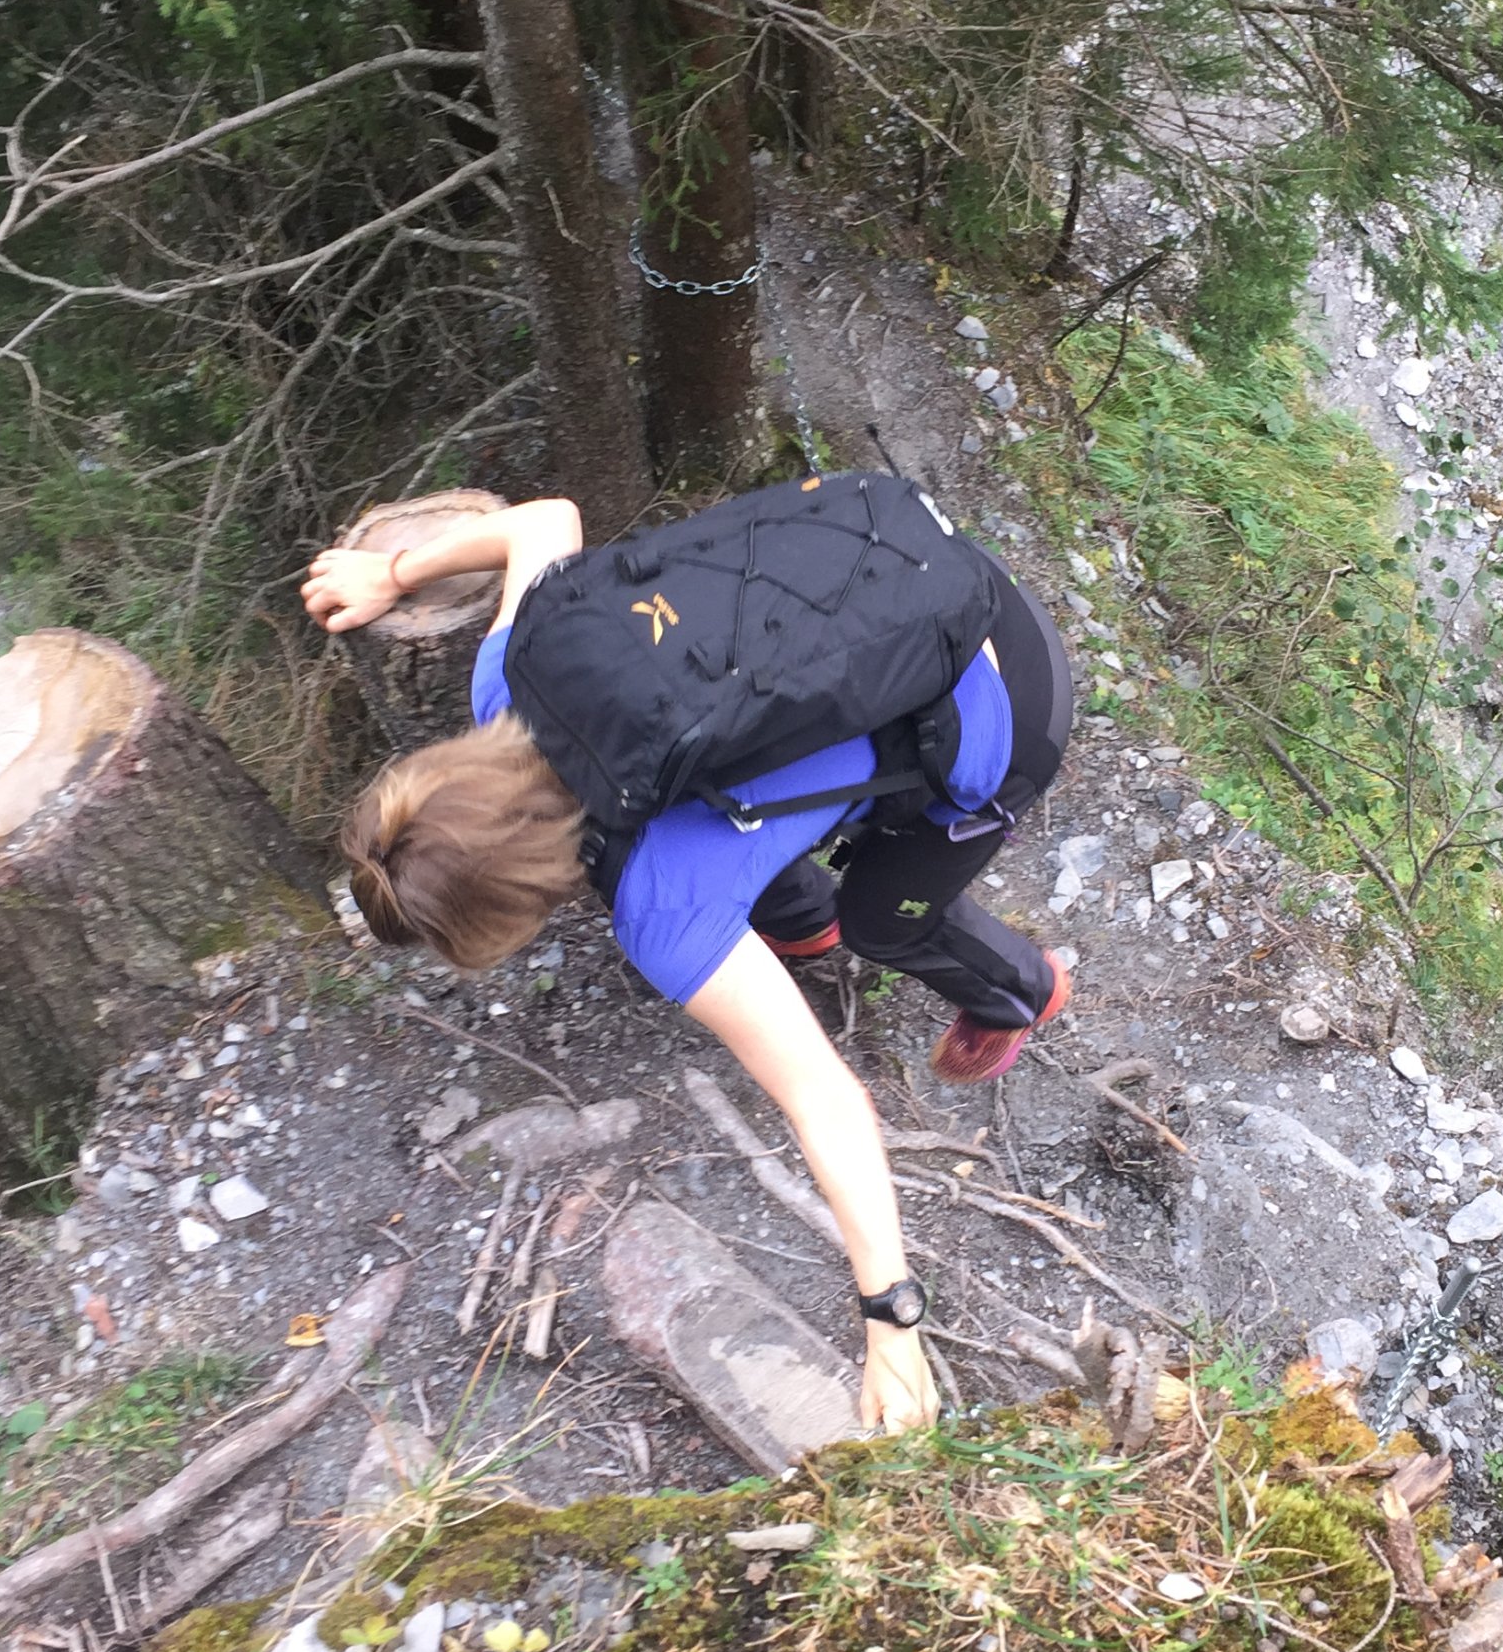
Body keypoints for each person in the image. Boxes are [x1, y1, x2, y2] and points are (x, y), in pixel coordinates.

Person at [301, 488, 1075, 1435]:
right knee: (745, 838)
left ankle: (1018, 993)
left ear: (513, 914)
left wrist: (892, 1319)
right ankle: (801, 927)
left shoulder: (665, 914)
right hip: (901, 560)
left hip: (1008, 694)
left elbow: (827, 1100)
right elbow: (547, 521)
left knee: (882, 920)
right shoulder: (511, 683)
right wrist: (393, 572)